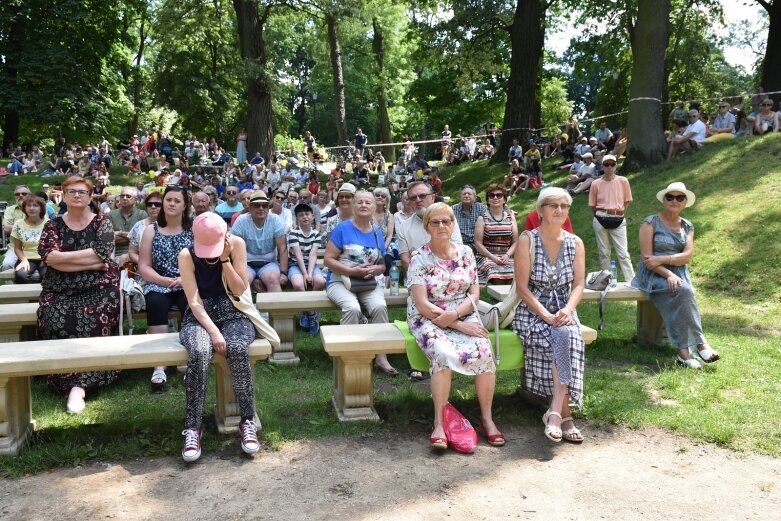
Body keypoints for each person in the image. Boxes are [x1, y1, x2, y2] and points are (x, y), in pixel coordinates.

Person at [407, 203, 504, 450]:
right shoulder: (419, 257)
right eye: (435, 222)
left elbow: (474, 290)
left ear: (453, 225)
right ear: (427, 227)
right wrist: (459, 325)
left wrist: (458, 315)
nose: (441, 226)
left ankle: (486, 418)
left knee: (484, 349)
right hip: (428, 316)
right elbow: (421, 303)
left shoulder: (466, 253)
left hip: (461, 311)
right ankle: (438, 423)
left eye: (446, 221)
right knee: (441, 353)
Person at [178, 212, 261, 461]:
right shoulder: (187, 255)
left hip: (234, 311)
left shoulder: (237, 244)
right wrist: (214, 331)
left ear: (226, 233)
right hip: (199, 316)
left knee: (237, 348)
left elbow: (239, 289)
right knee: (200, 352)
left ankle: (247, 421)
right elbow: (194, 301)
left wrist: (225, 259)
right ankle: (192, 426)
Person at [37, 177, 120, 414]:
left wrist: (62, 258)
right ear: (63, 195)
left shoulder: (101, 222)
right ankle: (61, 376)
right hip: (59, 289)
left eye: (82, 192)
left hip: (99, 288)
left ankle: (79, 385)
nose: (76, 196)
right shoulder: (52, 225)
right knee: (54, 315)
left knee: (94, 317)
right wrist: (92, 263)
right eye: (71, 191)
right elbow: (48, 257)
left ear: (90, 197)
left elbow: (103, 253)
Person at [512, 187, 586, 443]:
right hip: (532, 309)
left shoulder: (575, 243)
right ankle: (563, 414)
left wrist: (566, 310)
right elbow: (522, 288)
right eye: (553, 205)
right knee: (563, 337)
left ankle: (555, 411)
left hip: (565, 309)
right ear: (540, 210)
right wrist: (545, 313)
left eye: (564, 206)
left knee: (566, 335)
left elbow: (578, 284)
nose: (559, 210)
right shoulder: (527, 240)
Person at [631, 182, 720, 369]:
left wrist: (663, 258)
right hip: (651, 275)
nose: (674, 201)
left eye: (679, 197)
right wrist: (668, 273)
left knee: (684, 293)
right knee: (684, 292)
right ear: (664, 199)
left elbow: (687, 256)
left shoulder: (688, 226)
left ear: (685, 202)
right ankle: (699, 344)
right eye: (670, 197)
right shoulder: (650, 223)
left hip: (677, 273)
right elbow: (648, 259)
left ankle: (685, 353)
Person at [324, 190, 396, 375]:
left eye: (368, 202)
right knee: (352, 308)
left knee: (380, 307)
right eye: (360, 202)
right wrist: (350, 271)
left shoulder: (377, 233)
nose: (364, 205)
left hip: (367, 283)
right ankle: (346, 358)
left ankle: (381, 357)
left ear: (374, 207)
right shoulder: (342, 229)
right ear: (354, 206)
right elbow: (328, 260)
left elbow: (381, 263)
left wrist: (378, 269)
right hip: (340, 281)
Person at [138, 186, 193, 391]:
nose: (171, 203)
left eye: (177, 201)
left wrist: (185, 279)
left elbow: (202, 260)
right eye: (168, 199)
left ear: (185, 205)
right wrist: (163, 281)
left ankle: (191, 359)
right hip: (158, 282)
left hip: (187, 281)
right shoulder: (150, 230)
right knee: (155, 303)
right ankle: (159, 364)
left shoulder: (194, 228)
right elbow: (143, 266)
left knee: (191, 305)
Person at [231, 191, 288, 293]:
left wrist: (283, 272)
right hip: (245, 263)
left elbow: (282, 248)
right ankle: (243, 309)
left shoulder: (275, 220)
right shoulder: (241, 221)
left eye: (265, 205)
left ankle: (275, 309)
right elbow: (234, 248)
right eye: (257, 205)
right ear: (250, 208)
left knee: (272, 279)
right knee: (243, 281)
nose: (261, 208)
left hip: (269, 263)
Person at [397, 181, 463, 270]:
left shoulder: (447, 220)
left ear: (432, 197)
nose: (418, 200)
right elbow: (405, 260)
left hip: (449, 271)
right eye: (413, 198)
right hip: (418, 275)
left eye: (422, 196)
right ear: (409, 202)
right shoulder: (403, 227)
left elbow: (458, 248)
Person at [588, 157, 634, 282]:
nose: (609, 167)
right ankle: (606, 280)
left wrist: (620, 212)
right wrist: (600, 215)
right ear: (602, 166)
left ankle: (631, 281)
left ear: (615, 165)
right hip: (600, 217)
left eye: (612, 164)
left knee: (623, 253)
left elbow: (627, 200)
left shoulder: (623, 181)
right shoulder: (595, 183)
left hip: (618, 217)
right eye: (606, 164)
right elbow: (592, 204)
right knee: (604, 253)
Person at [288, 203, 325, 334]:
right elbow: (298, 255)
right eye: (301, 215)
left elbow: (313, 254)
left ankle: (306, 310)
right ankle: (312, 314)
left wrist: (309, 273)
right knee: (298, 285)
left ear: (312, 216)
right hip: (295, 265)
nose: (304, 217)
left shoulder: (316, 234)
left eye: (307, 214)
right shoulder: (293, 233)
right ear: (297, 218)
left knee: (320, 281)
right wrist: (304, 274)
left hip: (311, 265)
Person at [474, 184, 518, 286]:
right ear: (488, 200)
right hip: (487, 255)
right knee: (495, 271)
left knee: (515, 271)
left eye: (499, 195)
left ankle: (509, 297)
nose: (495, 198)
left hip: (506, 255)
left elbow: (516, 241)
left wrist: (507, 255)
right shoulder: (482, 218)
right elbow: (478, 243)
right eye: (491, 195)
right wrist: (492, 257)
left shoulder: (511, 218)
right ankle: (500, 296)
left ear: (504, 199)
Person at [11, 195, 49, 283]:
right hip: (26, 258)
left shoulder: (49, 223)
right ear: (24, 208)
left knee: (47, 276)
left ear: (41, 208)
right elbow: (17, 248)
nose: (32, 208)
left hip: (45, 258)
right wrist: (23, 260)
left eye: (35, 205)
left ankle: (44, 297)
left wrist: (46, 259)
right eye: (28, 205)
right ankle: (25, 297)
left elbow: (54, 246)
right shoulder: (18, 224)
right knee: (21, 275)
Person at [109, 187, 147, 265]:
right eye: (122, 196)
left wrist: (119, 233)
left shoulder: (142, 214)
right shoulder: (111, 214)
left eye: (128, 196)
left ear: (135, 199)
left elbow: (142, 239)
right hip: (115, 255)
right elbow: (108, 238)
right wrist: (133, 237)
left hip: (137, 255)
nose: (125, 198)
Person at [127, 191, 163, 267]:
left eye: (157, 204)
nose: (153, 207)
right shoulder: (139, 225)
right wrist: (145, 265)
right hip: (143, 268)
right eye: (149, 204)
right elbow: (132, 252)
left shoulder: (172, 224)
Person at [2, 185, 33, 270]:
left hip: (34, 246)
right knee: (6, 264)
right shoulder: (9, 210)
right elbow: (6, 229)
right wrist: (30, 225)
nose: (20, 195)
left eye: (24, 193)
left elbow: (42, 228)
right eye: (17, 194)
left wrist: (15, 225)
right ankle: (10, 284)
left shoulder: (38, 207)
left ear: (30, 195)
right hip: (14, 246)